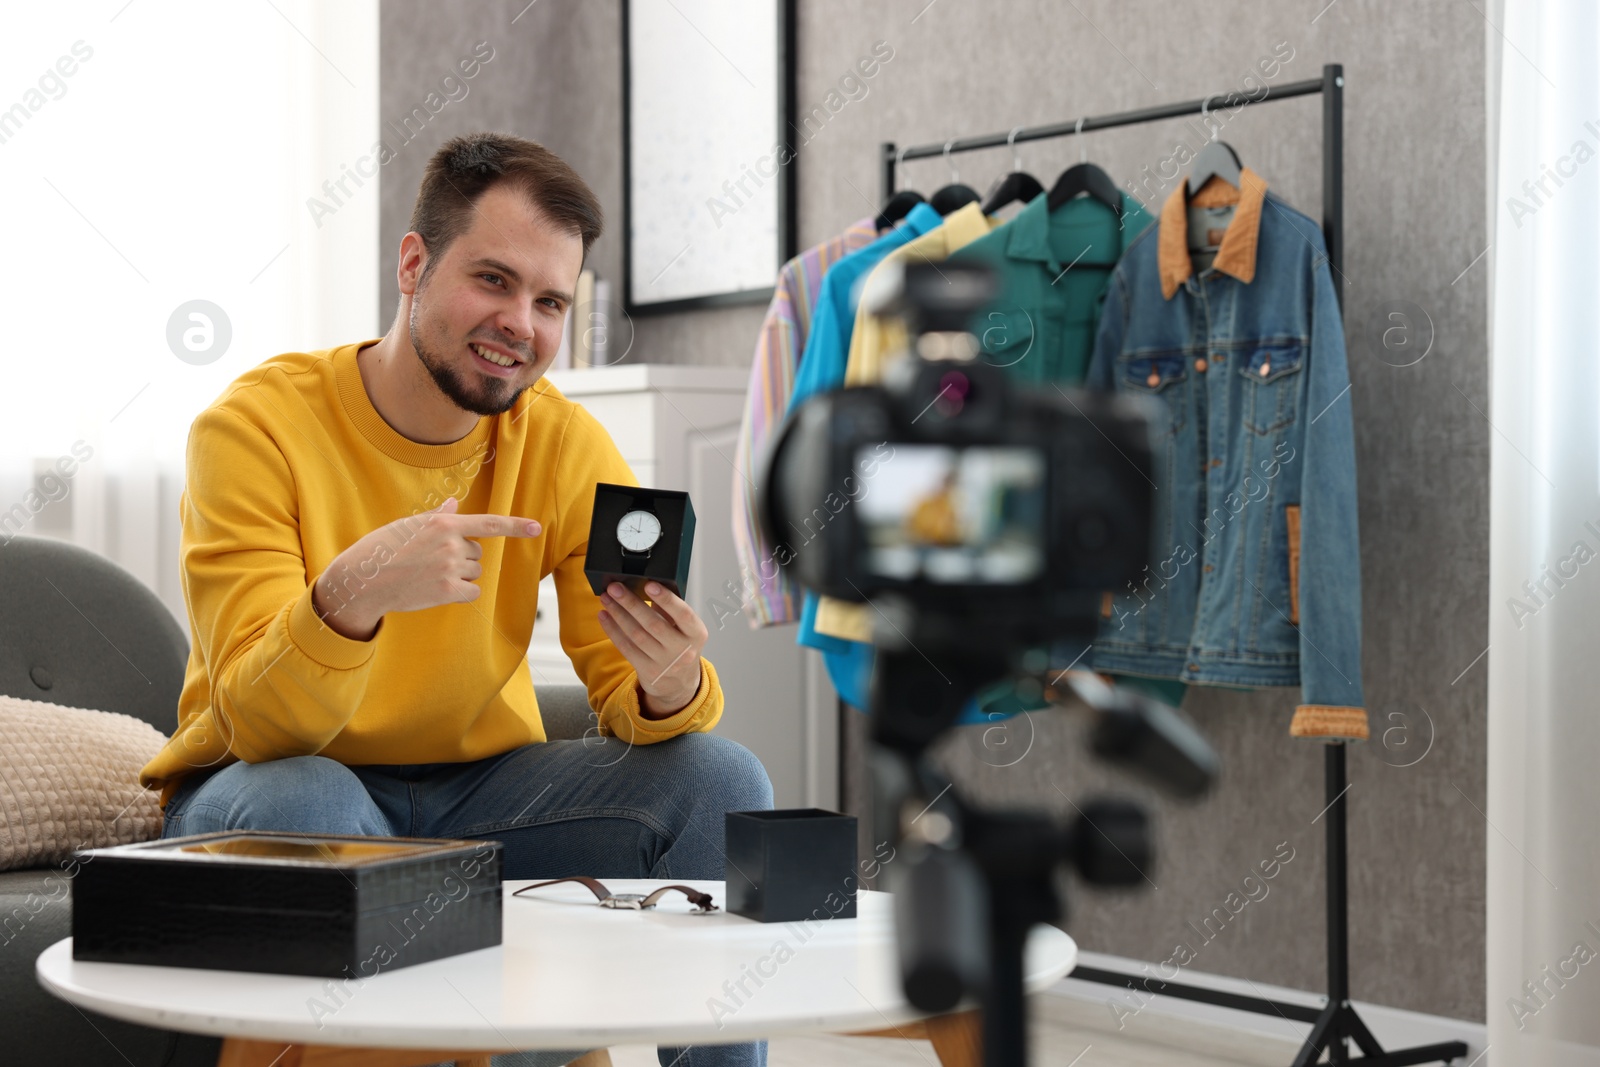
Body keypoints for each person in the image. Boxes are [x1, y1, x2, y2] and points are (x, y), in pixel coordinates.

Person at [138, 132, 773, 1067]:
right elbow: (257, 718)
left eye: (550, 300)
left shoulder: (561, 442)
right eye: (493, 279)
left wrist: (671, 684)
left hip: (480, 802)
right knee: (311, 800)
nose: (521, 321)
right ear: (413, 263)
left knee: (724, 779)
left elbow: (624, 698)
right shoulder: (255, 427)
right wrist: (349, 597)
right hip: (272, 788)